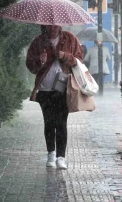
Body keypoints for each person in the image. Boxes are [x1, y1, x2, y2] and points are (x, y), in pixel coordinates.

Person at [26, 25, 83, 169]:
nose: (53, 28)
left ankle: (61, 157)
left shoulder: (70, 39)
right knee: (49, 122)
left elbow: (79, 61)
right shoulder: (38, 42)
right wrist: (40, 61)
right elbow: (31, 66)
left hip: (64, 89)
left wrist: (65, 56)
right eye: (50, 25)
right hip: (45, 90)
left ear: (60, 25)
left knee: (61, 123)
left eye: (55, 25)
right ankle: (51, 154)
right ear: (45, 26)